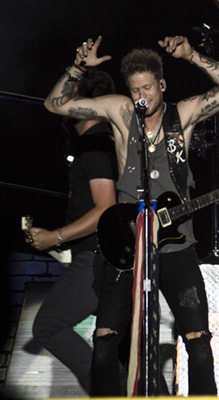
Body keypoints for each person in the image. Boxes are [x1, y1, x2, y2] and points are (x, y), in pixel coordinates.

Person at [44, 35, 219, 396]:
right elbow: (55, 104)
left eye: (148, 88)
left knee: (198, 344)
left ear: (162, 85)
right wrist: (77, 68)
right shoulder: (121, 112)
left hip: (176, 247)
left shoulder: (182, 115)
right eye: (135, 89)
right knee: (105, 343)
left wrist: (191, 55)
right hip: (126, 248)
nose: (141, 95)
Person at [30, 68, 118, 394]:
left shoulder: (94, 146)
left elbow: (105, 209)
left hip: (96, 258)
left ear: (83, 100)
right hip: (106, 257)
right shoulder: (105, 142)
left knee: (49, 326)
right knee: (119, 345)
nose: (65, 102)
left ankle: (106, 391)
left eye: (72, 94)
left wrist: (55, 237)